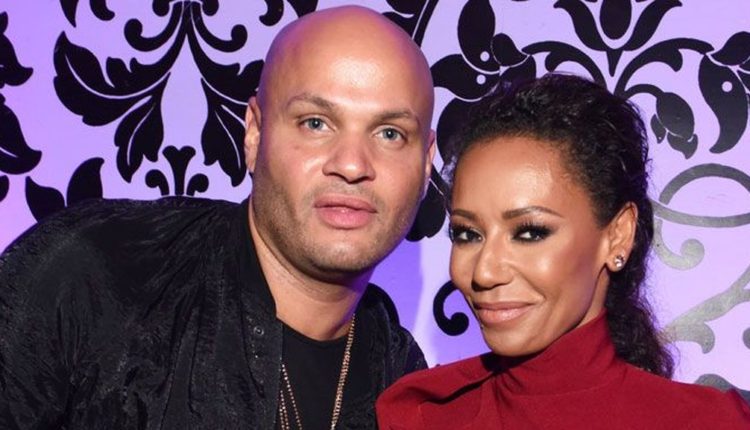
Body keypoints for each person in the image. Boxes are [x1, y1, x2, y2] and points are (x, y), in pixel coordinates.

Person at [0, 6, 436, 429]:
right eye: (315, 123)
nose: (352, 164)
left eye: (390, 133)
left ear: (426, 163)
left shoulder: (407, 389)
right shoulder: (94, 276)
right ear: (255, 134)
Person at [376, 74, 750, 429]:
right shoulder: (422, 416)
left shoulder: (707, 422)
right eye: (467, 234)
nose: (484, 272)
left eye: (530, 232)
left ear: (618, 236)